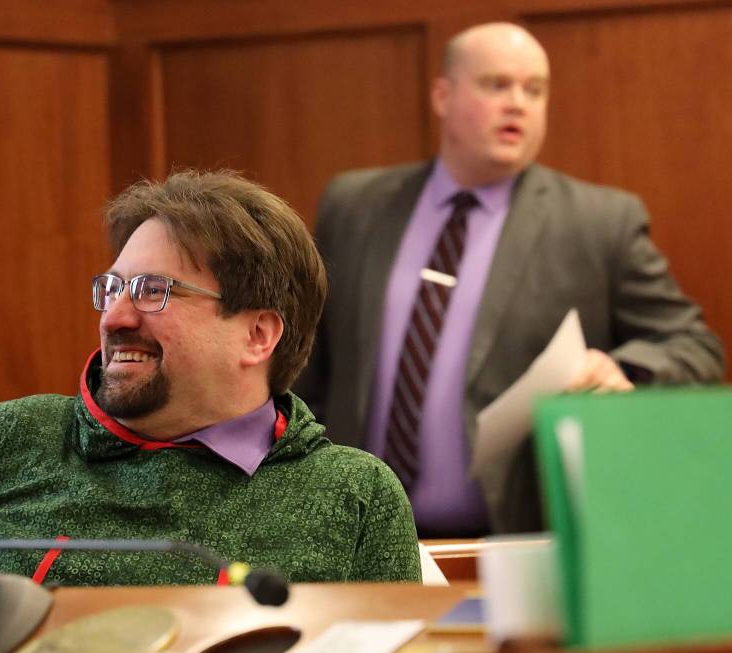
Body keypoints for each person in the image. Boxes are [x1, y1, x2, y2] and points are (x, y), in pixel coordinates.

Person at [0, 170, 421, 593]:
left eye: (153, 292)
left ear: (258, 335)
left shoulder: (354, 497)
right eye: (113, 288)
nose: (114, 317)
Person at [295, 22, 725, 537]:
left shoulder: (599, 223)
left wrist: (620, 367)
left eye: (534, 89)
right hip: (356, 541)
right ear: (442, 95)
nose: (518, 103)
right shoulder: (355, 206)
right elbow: (306, 366)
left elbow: (696, 347)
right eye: (497, 85)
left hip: (516, 543)